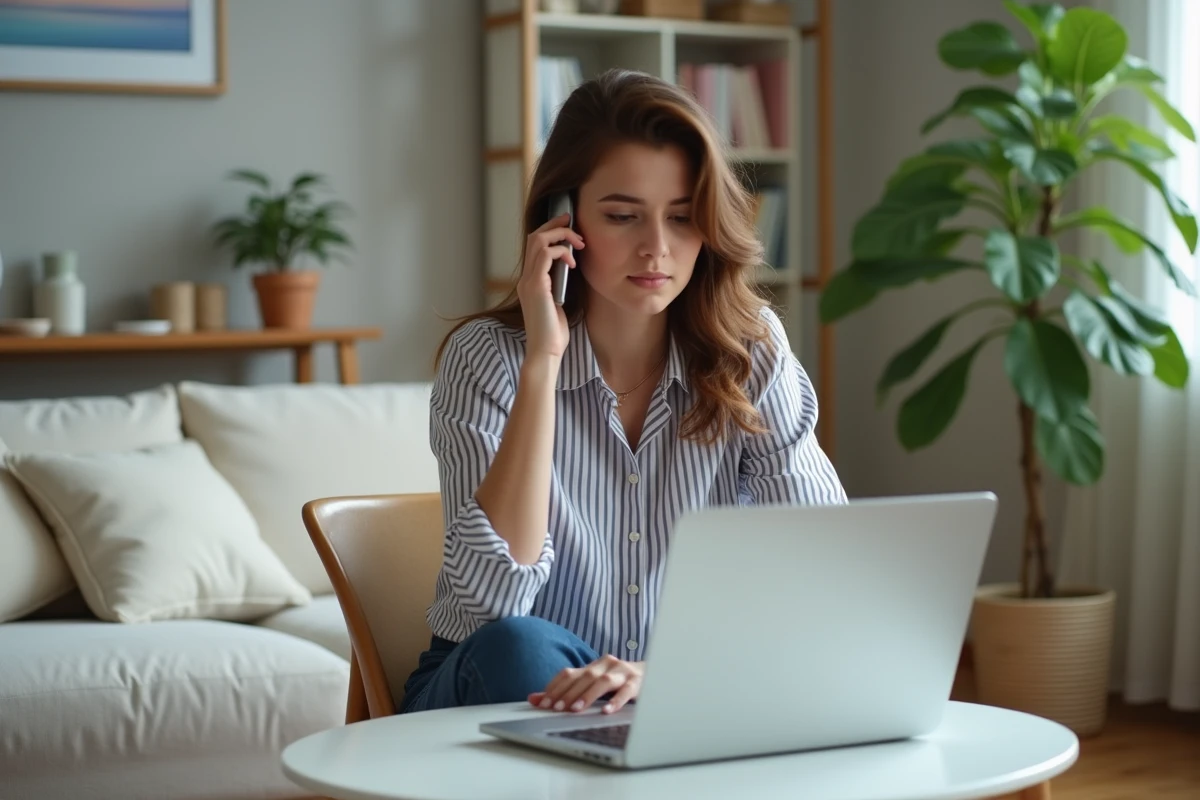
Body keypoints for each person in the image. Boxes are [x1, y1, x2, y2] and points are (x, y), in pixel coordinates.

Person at [400, 69, 846, 716]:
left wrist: (665, 675)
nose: (657, 250)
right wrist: (542, 363)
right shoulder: (488, 360)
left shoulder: (751, 351)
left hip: (674, 689)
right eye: (622, 216)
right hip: (494, 694)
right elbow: (488, 608)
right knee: (518, 648)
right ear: (562, 219)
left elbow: (824, 569)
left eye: (683, 218)